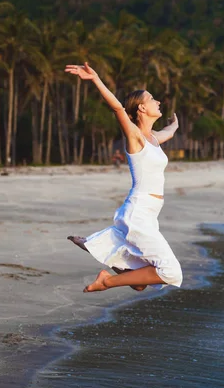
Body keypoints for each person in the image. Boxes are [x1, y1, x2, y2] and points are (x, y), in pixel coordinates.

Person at [65, 62, 183, 293]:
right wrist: (96, 79)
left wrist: (175, 125)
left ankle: (98, 245)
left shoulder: (153, 139)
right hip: (138, 211)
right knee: (171, 272)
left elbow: (166, 133)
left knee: (139, 283)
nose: (158, 102)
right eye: (152, 99)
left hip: (148, 214)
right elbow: (119, 109)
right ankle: (105, 280)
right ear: (140, 108)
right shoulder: (135, 137)